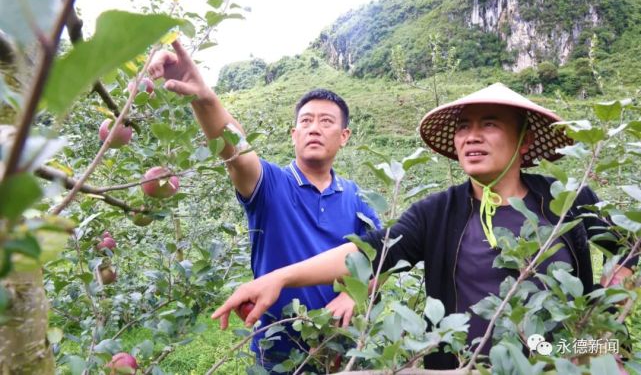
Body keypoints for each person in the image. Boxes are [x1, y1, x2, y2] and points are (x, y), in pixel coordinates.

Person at [212, 83, 636, 369]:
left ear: (524, 141)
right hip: (460, 367)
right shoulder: (438, 213)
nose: (472, 136)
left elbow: (628, 245)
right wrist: (278, 278)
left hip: (551, 359)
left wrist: (598, 338)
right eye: (464, 127)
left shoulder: (565, 201)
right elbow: (368, 251)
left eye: (489, 124)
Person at [148, 40, 381, 367]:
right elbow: (236, 151)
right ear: (293, 134)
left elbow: (382, 258)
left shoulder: (358, 198)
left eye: (326, 121)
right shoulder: (272, 185)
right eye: (306, 121)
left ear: (344, 136)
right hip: (277, 350)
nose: (314, 128)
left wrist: (351, 295)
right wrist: (203, 98)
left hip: (342, 346)